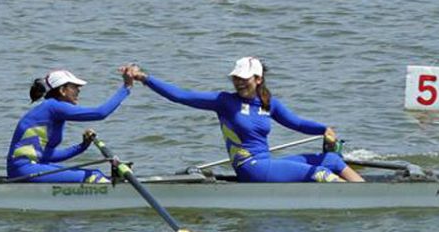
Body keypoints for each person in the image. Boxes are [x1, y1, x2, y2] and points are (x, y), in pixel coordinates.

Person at [122, 57, 364, 183]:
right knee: (317, 173)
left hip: (266, 163)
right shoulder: (224, 101)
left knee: (331, 159)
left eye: (244, 78)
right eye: (236, 77)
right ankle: (361, 200)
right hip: (251, 170)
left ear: (258, 79)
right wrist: (145, 78)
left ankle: (367, 194)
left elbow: (298, 124)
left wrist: (324, 129)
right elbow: (181, 96)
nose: (238, 82)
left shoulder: (269, 103)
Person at [6, 67, 134, 183]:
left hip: (28, 167)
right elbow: (100, 113)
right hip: (25, 168)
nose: (78, 91)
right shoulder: (53, 107)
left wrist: (82, 146)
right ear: (62, 90)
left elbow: (49, 155)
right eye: (75, 87)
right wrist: (126, 87)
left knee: (95, 173)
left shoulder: (51, 110)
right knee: (93, 175)